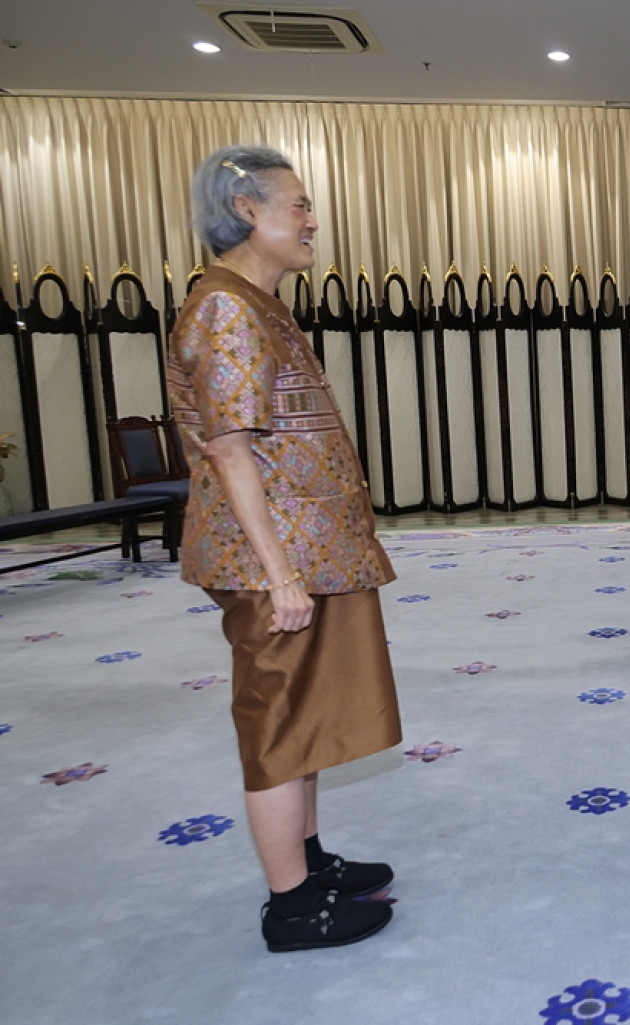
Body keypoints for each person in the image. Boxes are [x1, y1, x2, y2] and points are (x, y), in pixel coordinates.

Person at [166, 145, 400, 952]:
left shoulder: (255, 302)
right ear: (245, 211)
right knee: (276, 726)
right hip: (274, 563)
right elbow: (230, 451)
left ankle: (309, 861)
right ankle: (292, 906)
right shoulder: (225, 308)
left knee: (306, 717)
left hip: (309, 554)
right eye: (297, 205)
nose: (311, 221)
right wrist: (279, 575)